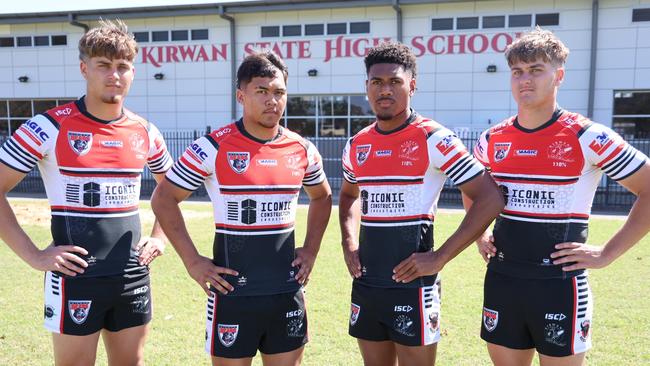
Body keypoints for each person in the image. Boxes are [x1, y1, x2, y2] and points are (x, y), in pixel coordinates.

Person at [469, 27, 650, 366]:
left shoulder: (587, 135)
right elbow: (474, 191)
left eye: (536, 70)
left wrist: (607, 253)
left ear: (559, 75)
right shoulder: (493, 138)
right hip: (503, 281)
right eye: (518, 72)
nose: (525, 79)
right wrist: (480, 235)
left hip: (560, 285)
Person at [0, 19, 172, 365]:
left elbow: (171, 191)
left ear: (133, 72)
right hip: (75, 276)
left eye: (123, 67)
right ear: (84, 68)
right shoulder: (49, 126)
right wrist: (35, 256)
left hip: (131, 274)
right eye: (104, 66)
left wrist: (159, 237)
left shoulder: (145, 131)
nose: (115, 75)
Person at [150, 50, 332, 366]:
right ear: (241, 95)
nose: (272, 100)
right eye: (261, 91)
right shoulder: (214, 146)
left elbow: (322, 197)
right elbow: (163, 199)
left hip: (285, 292)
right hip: (232, 294)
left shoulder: (302, 149)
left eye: (279, 92)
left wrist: (312, 250)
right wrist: (193, 261)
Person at [338, 42, 504, 366]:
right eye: (377, 82)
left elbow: (491, 197)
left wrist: (440, 256)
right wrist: (349, 242)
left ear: (411, 85)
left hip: (414, 286)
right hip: (368, 282)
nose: (385, 90)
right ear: (367, 87)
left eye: (394, 82)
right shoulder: (357, 144)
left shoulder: (434, 139)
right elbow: (347, 195)